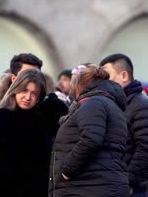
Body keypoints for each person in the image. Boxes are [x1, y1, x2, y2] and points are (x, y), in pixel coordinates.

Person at [50, 64, 129, 196]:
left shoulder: (94, 103)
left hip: (87, 187)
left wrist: (67, 169)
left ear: (80, 86)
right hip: (99, 185)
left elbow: (91, 139)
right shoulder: (109, 104)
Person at [100, 54, 148, 196]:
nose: (103, 82)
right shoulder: (112, 104)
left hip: (130, 189)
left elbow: (147, 151)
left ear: (124, 76)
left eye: (106, 75)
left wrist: (126, 182)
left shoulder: (143, 106)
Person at [0, 69, 52, 196]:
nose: (28, 97)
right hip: (10, 191)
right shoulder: (0, 116)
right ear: (15, 89)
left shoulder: (42, 118)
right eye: (24, 90)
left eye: (34, 93)